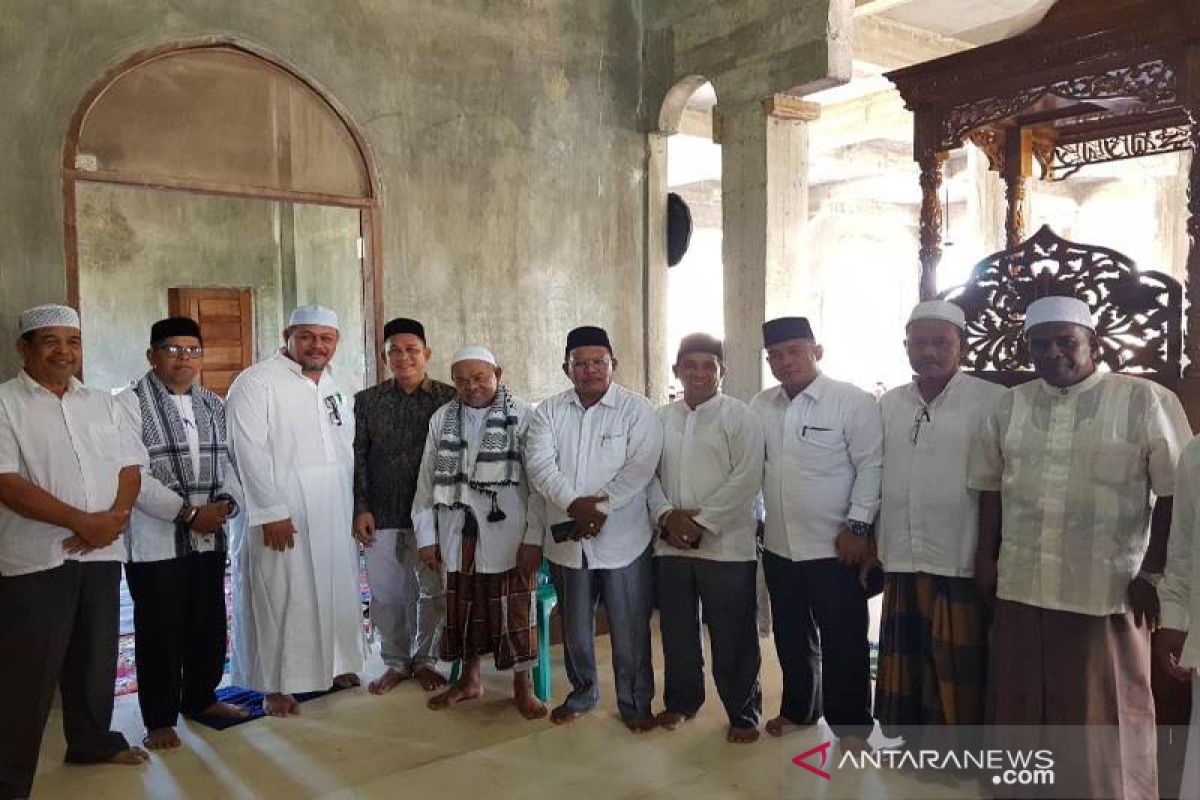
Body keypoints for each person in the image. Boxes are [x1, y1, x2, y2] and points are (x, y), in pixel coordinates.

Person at [970, 295, 1190, 799]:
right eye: (1039, 343)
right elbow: (988, 487)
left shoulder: (1143, 400)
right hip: (1022, 580)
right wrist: (986, 558)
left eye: (1065, 342)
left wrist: (1153, 572)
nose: (1052, 354)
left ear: (1094, 344)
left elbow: (1178, 494)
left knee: (1104, 710)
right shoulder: (1011, 404)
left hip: (1107, 588)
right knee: (1022, 704)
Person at [0, 304, 150, 800]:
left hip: (101, 552)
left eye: (73, 341)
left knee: (95, 656)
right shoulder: (4, 404)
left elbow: (130, 468)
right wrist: (81, 522)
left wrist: (111, 522)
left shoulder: (104, 403)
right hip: (36, 557)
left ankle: (90, 742)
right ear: (24, 348)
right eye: (50, 341)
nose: (64, 352)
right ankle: (10, 779)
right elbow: (6, 483)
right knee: (27, 674)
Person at [225, 304, 367, 717]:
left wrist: (355, 506)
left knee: (337, 589)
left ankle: (338, 665)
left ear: (336, 342)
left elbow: (347, 451)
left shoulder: (339, 384)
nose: (316, 346)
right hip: (280, 509)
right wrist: (270, 512)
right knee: (281, 595)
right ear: (288, 336)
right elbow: (245, 450)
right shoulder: (256, 382)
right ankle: (273, 685)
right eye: (306, 336)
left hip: (333, 504)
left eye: (326, 338)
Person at [750, 316, 882, 752]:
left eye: (793, 352)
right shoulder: (761, 405)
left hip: (834, 546)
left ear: (816, 351)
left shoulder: (851, 401)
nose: (784, 362)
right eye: (775, 356)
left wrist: (859, 526)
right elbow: (754, 469)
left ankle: (851, 727)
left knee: (843, 637)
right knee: (791, 635)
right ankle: (799, 708)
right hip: (781, 544)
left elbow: (872, 466)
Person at [117, 316, 248, 749]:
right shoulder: (128, 404)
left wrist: (226, 502)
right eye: (172, 350)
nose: (183, 359)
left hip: (209, 535)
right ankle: (159, 718)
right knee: (160, 629)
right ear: (152, 355)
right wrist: (189, 514)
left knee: (208, 621)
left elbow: (230, 462)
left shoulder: (213, 403)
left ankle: (201, 698)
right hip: (155, 541)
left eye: (192, 351)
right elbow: (134, 476)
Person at [874, 301, 1003, 740]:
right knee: (907, 655)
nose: (929, 351)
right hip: (902, 551)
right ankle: (912, 742)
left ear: (961, 346)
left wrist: (988, 554)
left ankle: (955, 750)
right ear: (905, 345)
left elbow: (997, 485)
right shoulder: (890, 403)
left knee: (954, 660)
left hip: (959, 553)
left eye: (941, 342)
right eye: (919, 342)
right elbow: (872, 473)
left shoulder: (991, 401)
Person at [526, 325, 663, 732]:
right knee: (576, 630)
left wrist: (598, 508)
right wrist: (573, 505)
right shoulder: (548, 412)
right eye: (579, 364)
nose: (589, 371)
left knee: (629, 627)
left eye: (597, 362)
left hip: (624, 539)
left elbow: (640, 468)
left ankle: (636, 703)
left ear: (613, 364)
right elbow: (539, 465)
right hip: (569, 544)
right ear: (566, 369)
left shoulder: (637, 410)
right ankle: (583, 692)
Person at [411, 346, 547, 718]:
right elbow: (426, 482)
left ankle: (524, 686)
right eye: (462, 379)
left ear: (497, 374)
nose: (471, 386)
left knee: (514, 610)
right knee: (461, 608)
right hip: (457, 530)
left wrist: (534, 538)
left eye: (479, 377)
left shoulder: (523, 415)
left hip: (510, 533)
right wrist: (427, 538)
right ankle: (469, 680)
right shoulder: (443, 418)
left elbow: (538, 486)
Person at [647, 333, 764, 743]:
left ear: (722, 372)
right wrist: (665, 516)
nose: (699, 373)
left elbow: (748, 478)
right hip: (670, 545)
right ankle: (681, 701)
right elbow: (648, 476)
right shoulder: (660, 418)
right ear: (677, 370)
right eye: (690, 365)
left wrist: (701, 523)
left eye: (708, 366)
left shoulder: (740, 416)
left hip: (727, 546)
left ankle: (743, 712)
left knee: (733, 634)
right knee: (677, 630)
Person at [352, 317, 455, 695]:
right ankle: (395, 660)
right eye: (394, 350)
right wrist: (361, 507)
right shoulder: (368, 402)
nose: (403, 357)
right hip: (381, 513)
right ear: (384, 357)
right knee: (386, 593)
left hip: (434, 517)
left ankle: (425, 659)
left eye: (411, 350)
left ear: (426, 353)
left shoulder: (449, 399)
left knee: (432, 590)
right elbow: (359, 458)